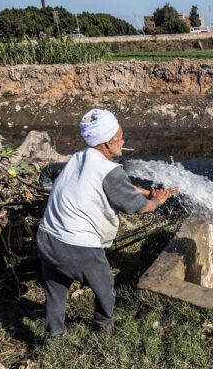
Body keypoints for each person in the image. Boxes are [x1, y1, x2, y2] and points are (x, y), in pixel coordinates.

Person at [37, 109, 178, 337]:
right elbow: (141, 208)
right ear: (107, 142)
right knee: (104, 288)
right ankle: (104, 329)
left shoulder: (79, 158)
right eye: (120, 137)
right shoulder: (110, 171)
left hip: (47, 237)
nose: (123, 141)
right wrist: (156, 200)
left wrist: (146, 191)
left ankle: (55, 334)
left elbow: (115, 184)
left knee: (56, 289)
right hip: (76, 246)